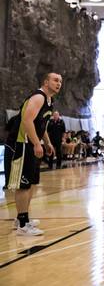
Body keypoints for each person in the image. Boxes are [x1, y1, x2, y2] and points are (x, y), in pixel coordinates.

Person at [7, 73, 61, 235]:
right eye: (55, 80)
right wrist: (37, 143)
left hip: (32, 143)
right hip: (22, 143)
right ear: (46, 82)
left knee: (31, 183)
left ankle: (21, 218)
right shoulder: (38, 97)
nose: (59, 83)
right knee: (23, 185)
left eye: (60, 81)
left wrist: (47, 142)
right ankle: (23, 225)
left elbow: (41, 125)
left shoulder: (50, 102)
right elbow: (27, 120)